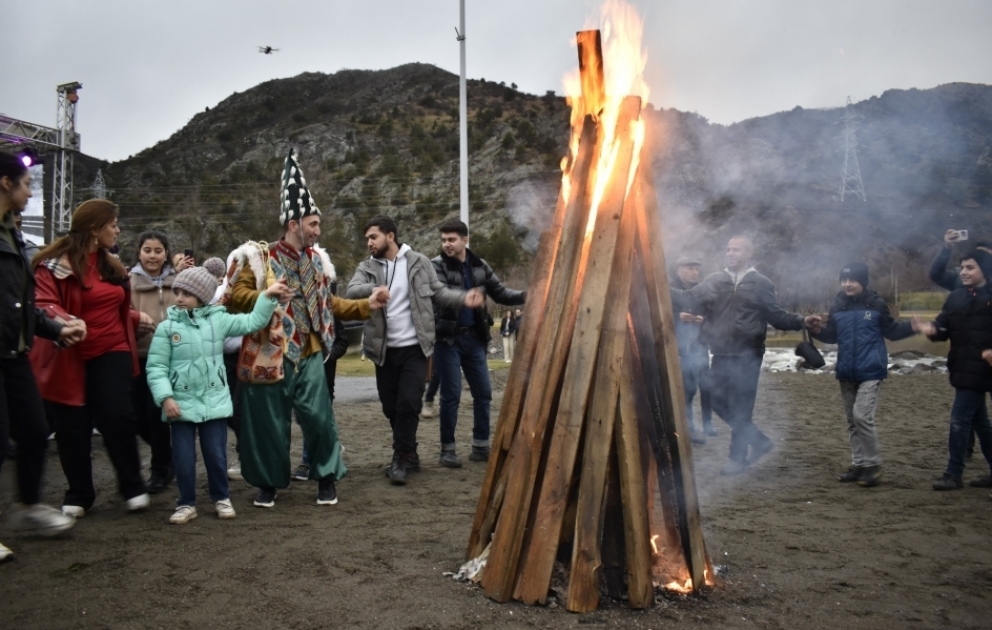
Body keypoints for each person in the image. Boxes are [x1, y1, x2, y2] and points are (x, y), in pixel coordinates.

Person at [227, 149, 384, 508]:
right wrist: (266, 295)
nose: (317, 230)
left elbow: (330, 305)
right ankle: (268, 484)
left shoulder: (318, 261)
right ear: (293, 223)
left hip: (311, 350)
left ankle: (326, 477)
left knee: (318, 417)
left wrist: (367, 304)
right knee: (269, 422)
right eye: (313, 224)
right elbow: (236, 296)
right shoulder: (259, 257)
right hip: (270, 351)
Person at [30, 199, 153, 517]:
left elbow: (118, 307)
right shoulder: (53, 265)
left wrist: (136, 318)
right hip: (67, 353)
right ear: (96, 229)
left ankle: (132, 486)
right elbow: (43, 303)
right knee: (72, 425)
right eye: (113, 224)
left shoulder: (112, 266)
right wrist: (64, 321)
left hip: (113, 349)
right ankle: (80, 493)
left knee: (117, 414)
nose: (118, 229)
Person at [146, 266, 291, 523]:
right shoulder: (166, 329)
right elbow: (156, 367)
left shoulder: (219, 320)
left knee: (216, 454)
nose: (179, 297)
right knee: (183, 458)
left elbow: (252, 322)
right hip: (179, 404)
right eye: (177, 291)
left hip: (214, 402)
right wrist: (165, 398)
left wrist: (267, 296)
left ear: (202, 296)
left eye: (187, 293)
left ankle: (221, 497)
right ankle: (186, 503)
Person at [346, 215, 480, 485]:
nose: (369, 243)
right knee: (390, 406)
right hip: (383, 351)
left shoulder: (419, 262)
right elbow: (351, 292)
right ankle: (410, 451)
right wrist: (374, 289)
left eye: (373, 237)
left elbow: (439, 292)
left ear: (390, 236)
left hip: (416, 348)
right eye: (367, 239)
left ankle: (400, 459)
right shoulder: (367, 267)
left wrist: (463, 297)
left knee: (409, 403)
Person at [672, 236, 821, 476]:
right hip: (720, 352)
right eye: (728, 249)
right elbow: (687, 299)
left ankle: (737, 457)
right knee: (717, 401)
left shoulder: (760, 283)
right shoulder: (715, 280)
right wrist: (657, 284)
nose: (730, 253)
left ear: (749, 253)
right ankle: (759, 441)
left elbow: (776, 315)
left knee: (742, 408)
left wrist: (801, 320)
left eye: (736, 249)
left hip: (748, 354)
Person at [0, 153, 83, 560]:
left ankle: (29, 507)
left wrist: (56, 329)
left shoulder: (12, 235)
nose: (30, 191)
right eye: (26, 184)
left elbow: (20, 305)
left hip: (14, 354)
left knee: (34, 431)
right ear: (5, 184)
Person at [811, 263, 920, 487]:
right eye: (844, 280)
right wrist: (819, 331)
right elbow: (832, 336)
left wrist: (912, 326)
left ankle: (873, 466)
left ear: (863, 282)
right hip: (845, 370)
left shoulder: (876, 304)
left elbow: (892, 331)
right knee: (852, 421)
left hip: (871, 370)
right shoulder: (837, 305)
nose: (847, 284)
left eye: (853, 280)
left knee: (862, 417)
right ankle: (859, 464)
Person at [430, 219, 526, 466]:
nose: (447, 244)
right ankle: (447, 450)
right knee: (450, 394)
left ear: (465, 240)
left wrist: (527, 295)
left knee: (484, 392)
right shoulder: (436, 266)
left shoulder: (480, 266)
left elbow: (501, 292)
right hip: (447, 339)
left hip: (475, 338)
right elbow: (438, 294)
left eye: (452, 239)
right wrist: (464, 297)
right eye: (444, 240)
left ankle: (481, 446)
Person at [917, 250, 992, 492]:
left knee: (960, 420)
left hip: (985, 369)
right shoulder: (956, 297)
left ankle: (953, 473)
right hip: (964, 368)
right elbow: (943, 329)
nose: (964, 272)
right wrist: (931, 330)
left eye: (970, 267)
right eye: (962, 267)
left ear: (984, 269)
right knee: (980, 423)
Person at [129, 231, 194, 494]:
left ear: (166, 253)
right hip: (139, 357)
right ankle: (167, 457)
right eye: (147, 250)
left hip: (171, 359)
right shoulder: (128, 280)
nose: (152, 256)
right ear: (139, 252)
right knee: (136, 417)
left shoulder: (178, 280)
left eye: (158, 251)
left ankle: (160, 469)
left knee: (156, 416)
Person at [291, 280, 350, 482]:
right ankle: (331, 444)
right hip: (301, 374)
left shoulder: (333, 316)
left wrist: (328, 356)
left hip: (325, 376)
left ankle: (307, 462)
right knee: (303, 415)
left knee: (316, 416)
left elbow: (343, 341)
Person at [670, 255, 714, 445]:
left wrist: (704, 320)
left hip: (700, 345)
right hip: (679, 347)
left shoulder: (702, 291)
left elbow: (712, 315)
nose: (694, 272)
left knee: (706, 385)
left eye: (697, 269)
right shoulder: (670, 289)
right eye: (690, 268)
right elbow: (656, 313)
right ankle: (688, 430)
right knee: (686, 389)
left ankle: (708, 423)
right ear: (679, 270)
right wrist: (677, 316)